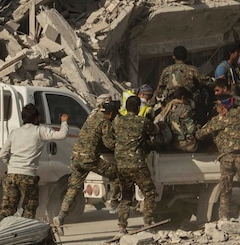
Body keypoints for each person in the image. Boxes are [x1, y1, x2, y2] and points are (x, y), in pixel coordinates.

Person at [0, 104, 69, 226]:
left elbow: (2, 153)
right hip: (28, 176)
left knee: (8, 207)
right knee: (29, 206)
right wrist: (64, 122)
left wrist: (10, 165)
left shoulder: (15, 133)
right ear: (37, 118)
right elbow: (61, 135)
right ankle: (25, 229)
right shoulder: (39, 131)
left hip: (11, 174)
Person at [53, 95, 119, 233]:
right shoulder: (105, 121)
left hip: (76, 156)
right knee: (116, 173)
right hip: (89, 158)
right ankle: (114, 202)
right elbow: (109, 143)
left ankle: (60, 216)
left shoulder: (91, 117)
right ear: (111, 113)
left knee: (73, 189)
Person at [194, 91, 240, 222]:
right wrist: (231, 95)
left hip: (226, 158)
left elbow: (199, 134)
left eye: (218, 106)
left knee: (225, 188)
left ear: (223, 107)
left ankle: (224, 217)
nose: (216, 109)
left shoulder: (219, 120)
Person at [113, 95, 159, 234]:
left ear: (126, 107)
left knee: (126, 197)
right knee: (149, 193)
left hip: (121, 165)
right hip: (137, 164)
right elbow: (155, 130)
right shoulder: (142, 121)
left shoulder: (118, 121)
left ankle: (122, 226)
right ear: (138, 108)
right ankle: (147, 223)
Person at [157, 86, 199, 152]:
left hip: (170, 144)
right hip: (185, 144)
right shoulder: (186, 108)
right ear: (183, 98)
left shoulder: (166, 109)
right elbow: (191, 129)